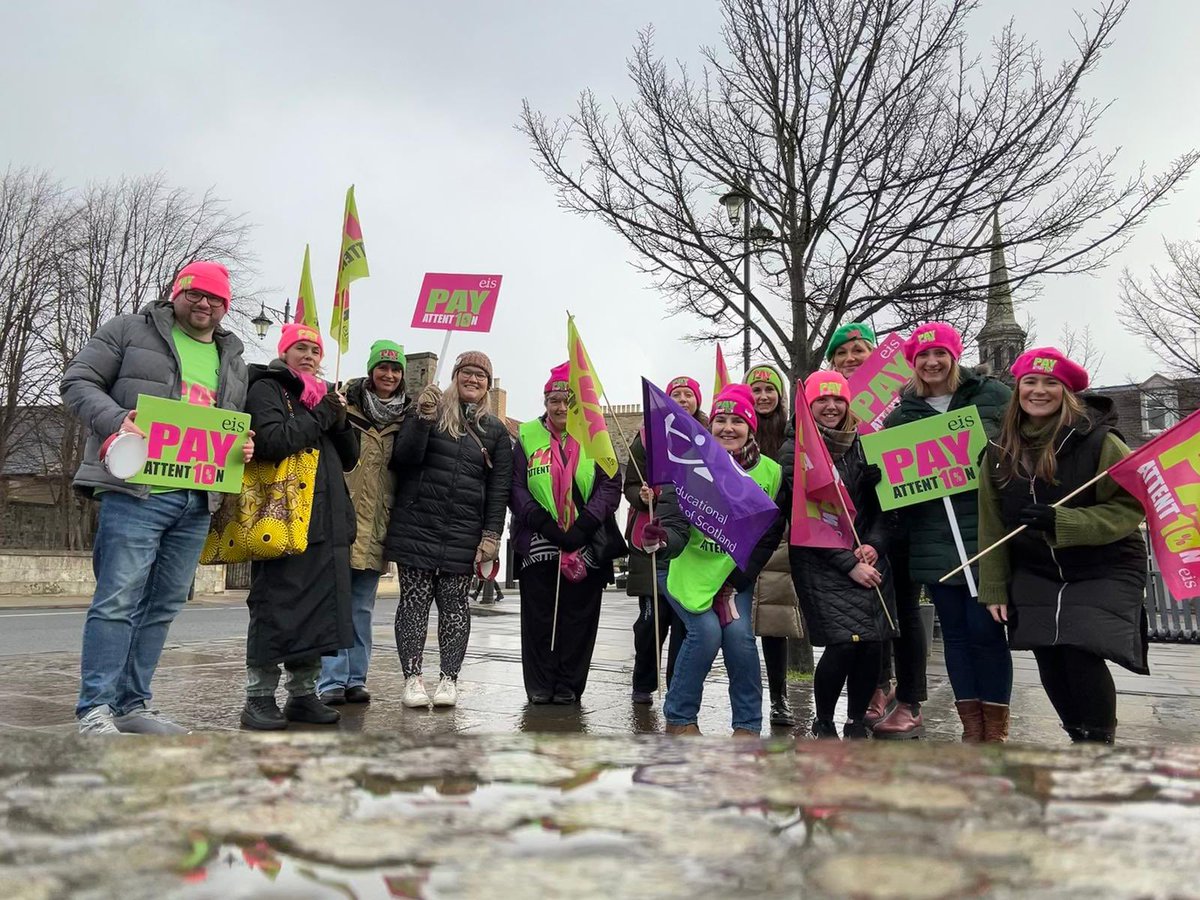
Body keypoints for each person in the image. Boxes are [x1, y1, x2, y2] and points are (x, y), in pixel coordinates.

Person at [61, 260, 251, 735]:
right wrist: (117, 419)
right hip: (136, 492)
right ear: (177, 292)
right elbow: (77, 381)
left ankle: (132, 704)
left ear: (226, 306)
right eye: (196, 293)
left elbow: (228, 423)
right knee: (117, 600)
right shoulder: (128, 330)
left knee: (164, 605)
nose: (205, 303)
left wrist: (242, 447)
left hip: (197, 500)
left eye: (216, 298)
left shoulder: (234, 361)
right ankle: (94, 709)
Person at [978, 348, 1148, 744]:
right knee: (1048, 654)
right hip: (1037, 568)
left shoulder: (1101, 442)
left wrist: (1065, 521)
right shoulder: (998, 451)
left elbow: (1132, 505)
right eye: (1030, 382)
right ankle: (1078, 735)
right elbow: (991, 524)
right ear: (1018, 390)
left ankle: (1098, 744)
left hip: (1102, 564)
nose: (1039, 390)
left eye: (1051, 382)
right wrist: (994, 587)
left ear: (1067, 392)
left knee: (1077, 647)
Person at [883, 322, 1012, 741]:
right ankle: (971, 726)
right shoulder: (902, 416)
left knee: (986, 632)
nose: (932, 362)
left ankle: (996, 727)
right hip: (935, 538)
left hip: (985, 536)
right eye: (922, 356)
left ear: (954, 357)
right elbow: (893, 480)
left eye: (939, 353)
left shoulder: (993, 396)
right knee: (955, 636)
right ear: (913, 363)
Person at [240, 324, 358, 730]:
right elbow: (273, 441)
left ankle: (303, 695)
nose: (309, 356)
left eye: (315, 350)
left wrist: (339, 418)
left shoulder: (320, 395)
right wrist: (323, 415)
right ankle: (258, 697)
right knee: (276, 609)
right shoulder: (268, 389)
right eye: (300, 348)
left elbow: (349, 458)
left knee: (316, 614)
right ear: (284, 352)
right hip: (281, 519)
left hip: (322, 522)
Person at [386, 352, 513, 709]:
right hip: (418, 524)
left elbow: (499, 488)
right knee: (413, 604)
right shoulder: (429, 410)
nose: (473, 380)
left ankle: (449, 679)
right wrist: (422, 420)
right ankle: (412, 678)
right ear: (455, 376)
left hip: (464, 530)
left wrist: (491, 535)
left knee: (455, 606)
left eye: (481, 376)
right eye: (466, 373)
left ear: (488, 384)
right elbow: (405, 458)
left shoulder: (496, 431)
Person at [660, 384, 788, 736]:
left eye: (737, 421)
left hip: (735, 577)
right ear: (710, 424)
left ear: (751, 427)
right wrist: (662, 539)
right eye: (720, 420)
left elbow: (770, 535)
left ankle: (747, 725)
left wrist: (739, 581)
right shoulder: (687, 463)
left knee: (740, 640)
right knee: (705, 633)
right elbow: (674, 525)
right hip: (689, 569)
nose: (728, 428)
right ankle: (680, 718)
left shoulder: (773, 474)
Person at [825, 321, 928, 739]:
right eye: (841, 354)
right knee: (868, 616)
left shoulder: (902, 406)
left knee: (903, 610)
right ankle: (875, 689)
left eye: (859, 351)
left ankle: (911, 697)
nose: (850, 359)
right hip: (856, 532)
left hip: (900, 523)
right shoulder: (829, 410)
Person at [786, 372, 897, 739]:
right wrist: (849, 564)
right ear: (809, 405)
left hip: (866, 558)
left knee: (871, 646)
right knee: (843, 645)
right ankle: (824, 721)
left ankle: (855, 722)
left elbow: (885, 511)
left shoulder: (866, 444)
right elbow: (802, 518)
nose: (831, 407)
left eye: (838, 400)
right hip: (820, 562)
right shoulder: (794, 449)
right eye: (822, 400)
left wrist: (874, 546)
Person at [509, 362, 622, 704]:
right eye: (554, 399)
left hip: (585, 541)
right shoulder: (527, 435)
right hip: (539, 541)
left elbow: (610, 483)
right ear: (545, 401)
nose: (561, 407)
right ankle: (540, 685)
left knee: (578, 618)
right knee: (539, 618)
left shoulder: (595, 437)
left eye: (567, 400)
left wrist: (583, 525)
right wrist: (543, 523)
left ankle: (569, 685)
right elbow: (515, 486)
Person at [317, 340, 408, 706]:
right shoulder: (346, 407)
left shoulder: (407, 419)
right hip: (342, 519)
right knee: (333, 603)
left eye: (396, 369)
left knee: (361, 607)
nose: (389, 374)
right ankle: (331, 680)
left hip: (379, 524)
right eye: (383, 367)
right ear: (371, 370)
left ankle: (356, 678)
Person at [623, 375, 703, 704]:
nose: (683, 399)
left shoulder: (706, 439)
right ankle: (643, 684)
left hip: (691, 544)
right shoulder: (645, 438)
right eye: (676, 394)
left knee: (684, 626)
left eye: (689, 394)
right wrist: (642, 497)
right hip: (650, 542)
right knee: (650, 623)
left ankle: (677, 687)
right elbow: (629, 485)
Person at [745, 363, 799, 727]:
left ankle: (779, 697)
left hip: (782, 537)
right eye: (756, 391)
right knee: (739, 623)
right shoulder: (736, 431)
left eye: (769, 390)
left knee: (775, 622)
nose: (763, 396)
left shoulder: (793, 433)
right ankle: (747, 697)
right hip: (744, 535)